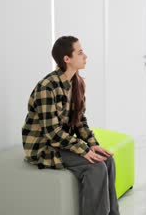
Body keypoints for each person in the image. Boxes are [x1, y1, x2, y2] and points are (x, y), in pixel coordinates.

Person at [22, 36, 120, 215]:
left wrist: (92, 144)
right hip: (44, 147)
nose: (86, 56)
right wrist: (83, 150)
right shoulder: (47, 87)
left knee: (108, 160)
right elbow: (53, 133)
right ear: (66, 59)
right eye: (80, 52)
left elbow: (79, 121)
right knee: (95, 167)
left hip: (61, 144)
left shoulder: (77, 83)